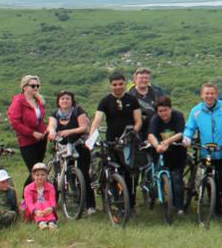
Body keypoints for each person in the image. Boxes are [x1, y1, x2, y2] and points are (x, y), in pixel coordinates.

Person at [183, 83, 222, 219]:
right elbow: (190, 127)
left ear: (216, 94)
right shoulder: (196, 111)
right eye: (206, 93)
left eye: (212, 93)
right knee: (209, 182)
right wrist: (187, 138)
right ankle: (216, 210)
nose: (209, 96)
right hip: (206, 154)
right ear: (201, 95)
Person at [89, 72, 143, 207]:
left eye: (120, 84)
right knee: (113, 170)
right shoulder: (105, 101)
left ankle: (130, 203)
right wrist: (91, 138)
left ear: (125, 83)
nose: (118, 87)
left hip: (129, 142)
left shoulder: (132, 100)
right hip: (111, 141)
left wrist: (133, 132)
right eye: (114, 85)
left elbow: (138, 120)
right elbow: (97, 120)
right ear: (110, 85)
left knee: (130, 173)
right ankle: (115, 199)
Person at [46, 90, 96, 214]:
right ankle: (75, 198)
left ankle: (90, 205)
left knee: (84, 174)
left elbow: (84, 128)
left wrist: (69, 131)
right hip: (63, 147)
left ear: (72, 101)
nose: (65, 101)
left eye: (68, 98)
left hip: (79, 145)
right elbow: (51, 125)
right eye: (62, 98)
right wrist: (51, 131)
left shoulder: (78, 110)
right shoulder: (55, 114)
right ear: (58, 101)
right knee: (67, 173)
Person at [146, 96, 187, 214]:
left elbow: (180, 133)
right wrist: (157, 145)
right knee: (158, 176)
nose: (163, 113)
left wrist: (167, 142)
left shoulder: (178, 116)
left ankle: (179, 207)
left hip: (177, 152)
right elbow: (150, 134)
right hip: (161, 152)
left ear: (170, 109)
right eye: (160, 111)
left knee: (177, 179)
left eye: (165, 110)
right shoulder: (155, 119)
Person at [7, 75, 48, 189]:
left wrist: (45, 131)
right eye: (33, 86)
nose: (36, 88)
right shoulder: (18, 101)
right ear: (24, 87)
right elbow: (15, 122)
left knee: (39, 170)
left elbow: (39, 120)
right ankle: (26, 195)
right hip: (27, 141)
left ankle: (33, 195)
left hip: (41, 140)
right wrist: (32, 133)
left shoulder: (38, 100)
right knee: (35, 171)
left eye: (37, 85)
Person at [23, 162, 57, 229]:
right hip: (33, 211)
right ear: (33, 176)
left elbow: (52, 200)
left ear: (46, 175)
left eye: (42, 175)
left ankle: (51, 222)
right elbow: (29, 203)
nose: (40, 177)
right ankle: (41, 222)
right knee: (38, 203)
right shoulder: (28, 188)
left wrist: (51, 208)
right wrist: (35, 211)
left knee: (46, 203)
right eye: (37, 175)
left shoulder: (50, 187)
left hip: (46, 209)